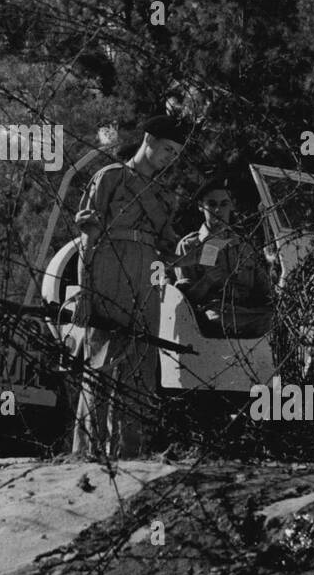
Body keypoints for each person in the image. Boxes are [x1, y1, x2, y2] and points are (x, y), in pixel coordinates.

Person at [72, 115, 188, 460]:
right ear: (148, 139)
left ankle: (129, 454)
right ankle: (88, 454)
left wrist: (192, 259)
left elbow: (168, 248)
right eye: (168, 149)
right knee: (101, 361)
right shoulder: (110, 178)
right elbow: (87, 238)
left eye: (176, 153)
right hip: (109, 265)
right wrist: (84, 290)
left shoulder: (165, 196)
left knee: (141, 360)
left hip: (149, 273)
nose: (171, 158)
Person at [174, 176, 271, 337]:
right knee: (267, 322)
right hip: (213, 314)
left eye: (224, 204)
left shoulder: (243, 246)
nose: (218, 211)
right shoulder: (190, 246)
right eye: (212, 204)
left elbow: (264, 289)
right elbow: (183, 301)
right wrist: (207, 281)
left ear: (232, 206)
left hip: (248, 311)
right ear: (201, 206)